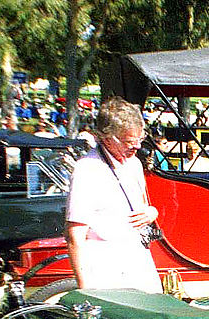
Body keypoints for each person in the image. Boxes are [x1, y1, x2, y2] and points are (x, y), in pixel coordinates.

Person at [65, 96, 162, 293]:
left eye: (139, 140)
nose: (137, 147)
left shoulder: (134, 163)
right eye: (129, 142)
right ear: (106, 138)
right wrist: (87, 291)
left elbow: (143, 206)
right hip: (105, 269)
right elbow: (74, 236)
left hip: (139, 262)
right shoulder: (87, 170)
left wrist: (152, 212)